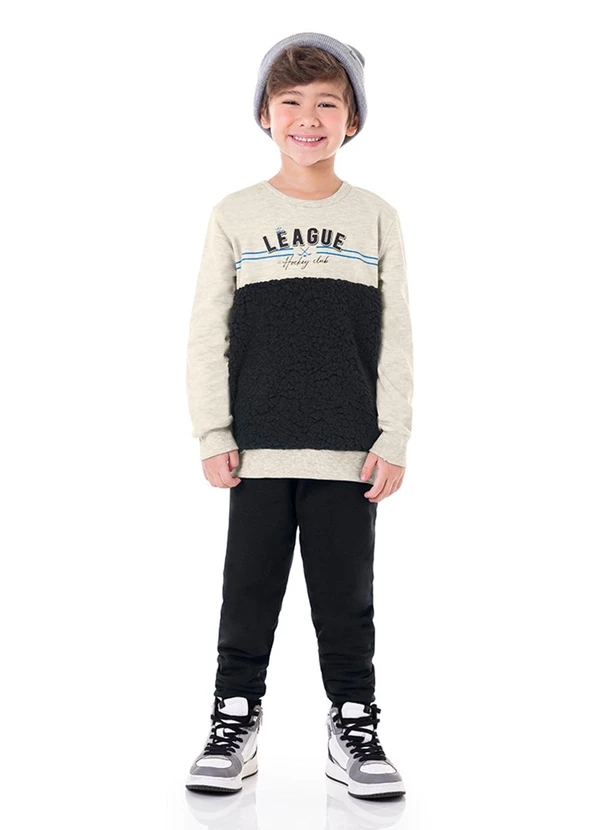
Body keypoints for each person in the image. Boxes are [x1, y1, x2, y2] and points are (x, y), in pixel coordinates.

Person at [184, 32, 413, 801]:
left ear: (353, 119)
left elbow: (397, 334)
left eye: (327, 104)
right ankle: (234, 720)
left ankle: (354, 722)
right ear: (264, 114)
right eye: (290, 103)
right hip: (256, 446)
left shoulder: (375, 217)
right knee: (248, 590)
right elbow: (207, 330)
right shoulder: (235, 214)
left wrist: (394, 434)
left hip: (348, 447)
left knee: (346, 597)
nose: (307, 119)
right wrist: (213, 430)